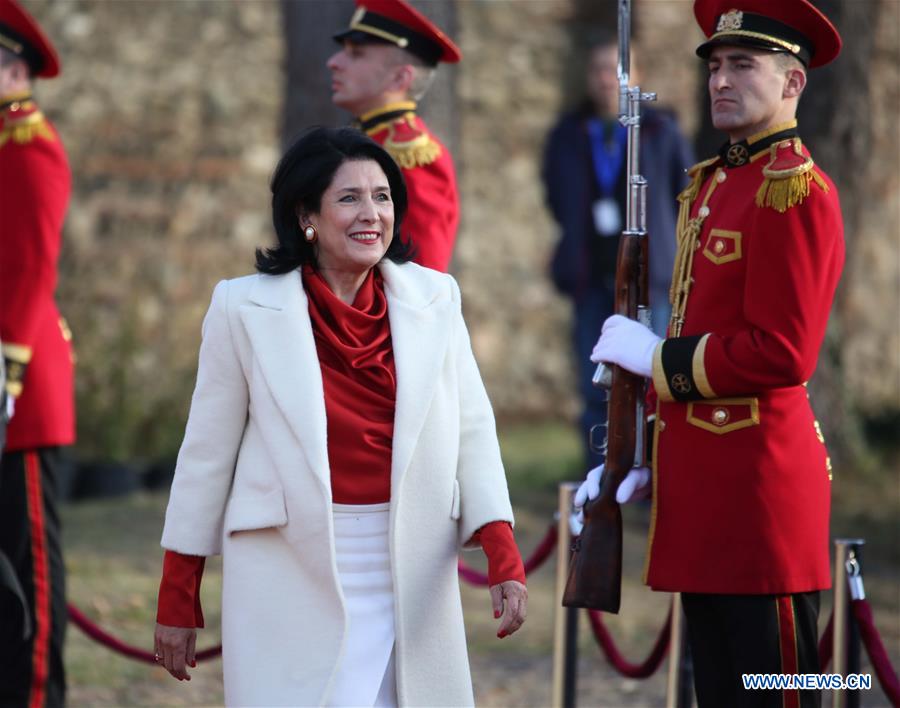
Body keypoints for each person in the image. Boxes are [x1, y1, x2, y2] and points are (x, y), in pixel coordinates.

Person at [152, 127, 527, 707]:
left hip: (410, 566)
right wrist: (179, 594)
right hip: (287, 567)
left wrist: (503, 551)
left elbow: (472, 431)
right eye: (349, 198)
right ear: (307, 214)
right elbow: (206, 454)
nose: (371, 213)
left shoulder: (436, 298)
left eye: (382, 196)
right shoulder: (242, 307)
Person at [576, 1, 844, 706]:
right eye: (716, 66)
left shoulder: (793, 191)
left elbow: (782, 353)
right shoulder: (714, 185)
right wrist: (647, 452)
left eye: (743, 66)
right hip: (705, 492)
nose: (721, 80)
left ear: (793, 85)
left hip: (759, 504)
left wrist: (655, 358)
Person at [541, 33, 694, 468]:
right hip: (592, 278)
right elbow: (555, 196)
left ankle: (655, 470)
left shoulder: (662, 130)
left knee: (655, 377)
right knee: (596, 382)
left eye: (618, 70)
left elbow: (681, 195)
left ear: (637, 78)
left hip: (652, 278)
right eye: (599, 70)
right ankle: (600, 473)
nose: (607, 80)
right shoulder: (569, 133)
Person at [0, 1, 73, 706]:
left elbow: (29, 265)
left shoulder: (27, 143)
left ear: (15, 68)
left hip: (14, 387)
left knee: (31, 569)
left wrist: (7, 367)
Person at [327, 0, 460, 272]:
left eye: (357, 54)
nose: (334, 62)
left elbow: (422, 274)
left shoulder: (411, 155)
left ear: (400, 78)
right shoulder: (361, 140)